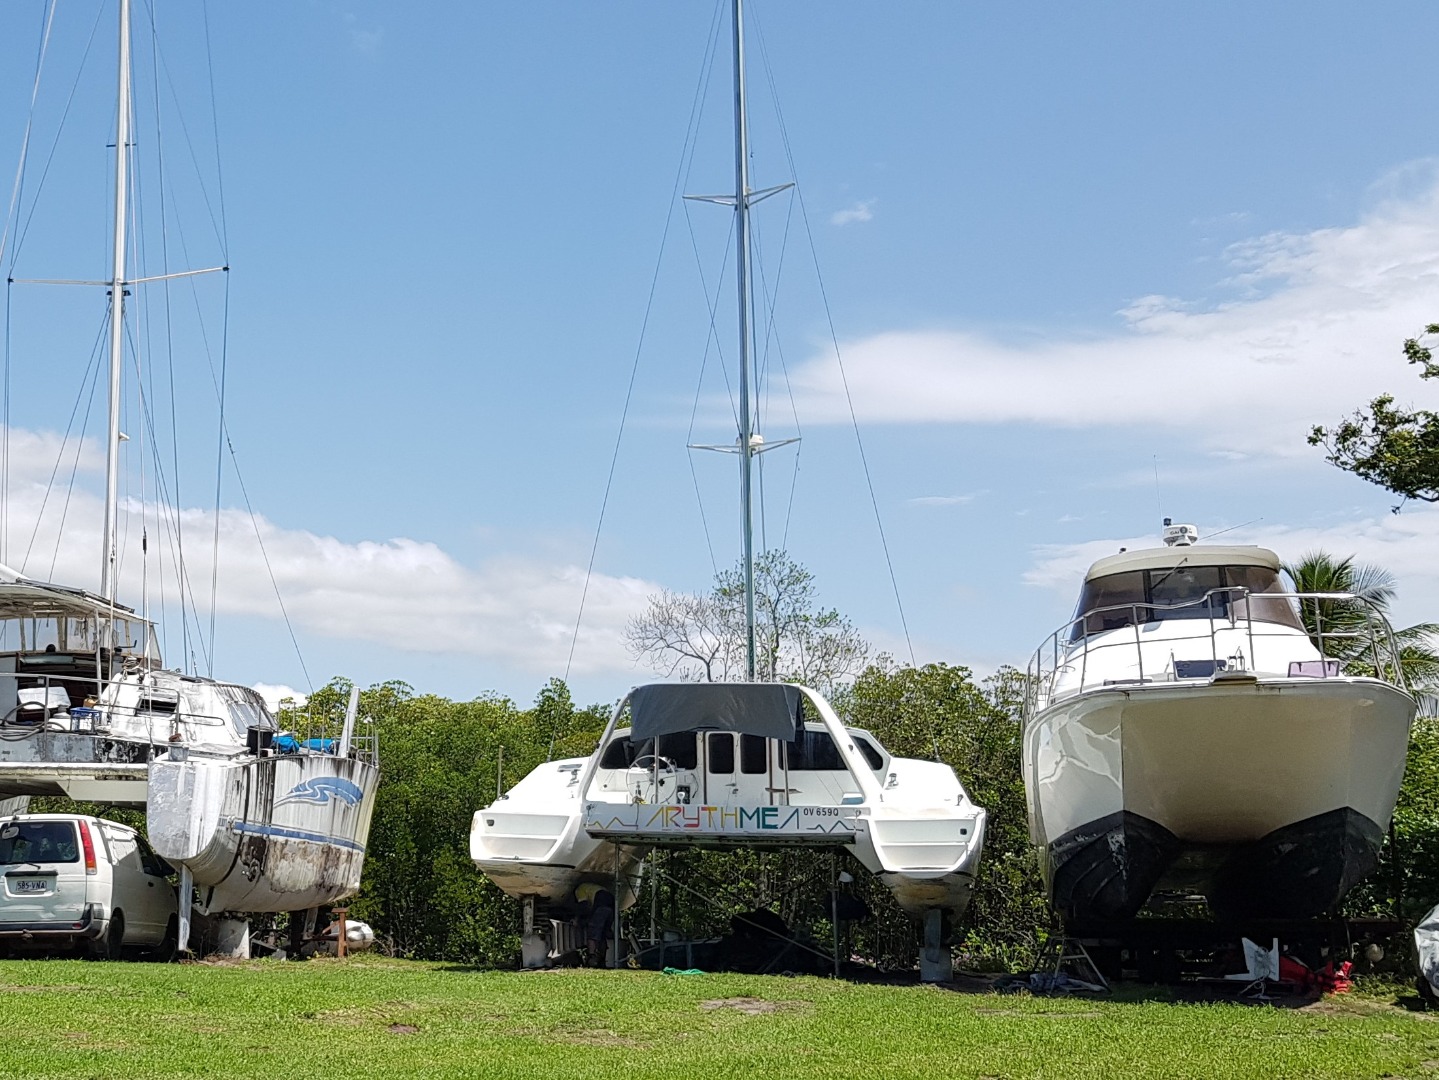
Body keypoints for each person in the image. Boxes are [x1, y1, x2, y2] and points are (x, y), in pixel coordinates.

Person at [574, 882, 616, 968]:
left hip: (601, 902)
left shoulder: (579, 890)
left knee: (592, 931)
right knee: (603, 934)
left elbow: (583, 906)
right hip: (611, 903)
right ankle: (603, 959)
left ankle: (592, 957)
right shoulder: (592, 887)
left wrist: (577, 919)